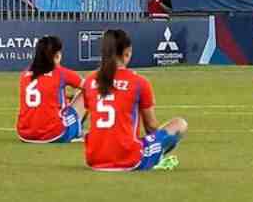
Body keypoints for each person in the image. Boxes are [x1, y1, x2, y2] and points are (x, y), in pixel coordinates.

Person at [81, 30, 187, 171]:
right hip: (128, 159)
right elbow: (151, 127)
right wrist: (156, 142)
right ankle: (158, 158)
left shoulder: (89, 80)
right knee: (179, 124)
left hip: (94, 159)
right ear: (127, 53)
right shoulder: (139, 82)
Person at [16, 36, 85, 144]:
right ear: (56, 55)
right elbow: (91, 86)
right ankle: (77, 131)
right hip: (54, 134)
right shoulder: (61, 72)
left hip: (24, 135)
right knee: (86, 93)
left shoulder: (25, 73)